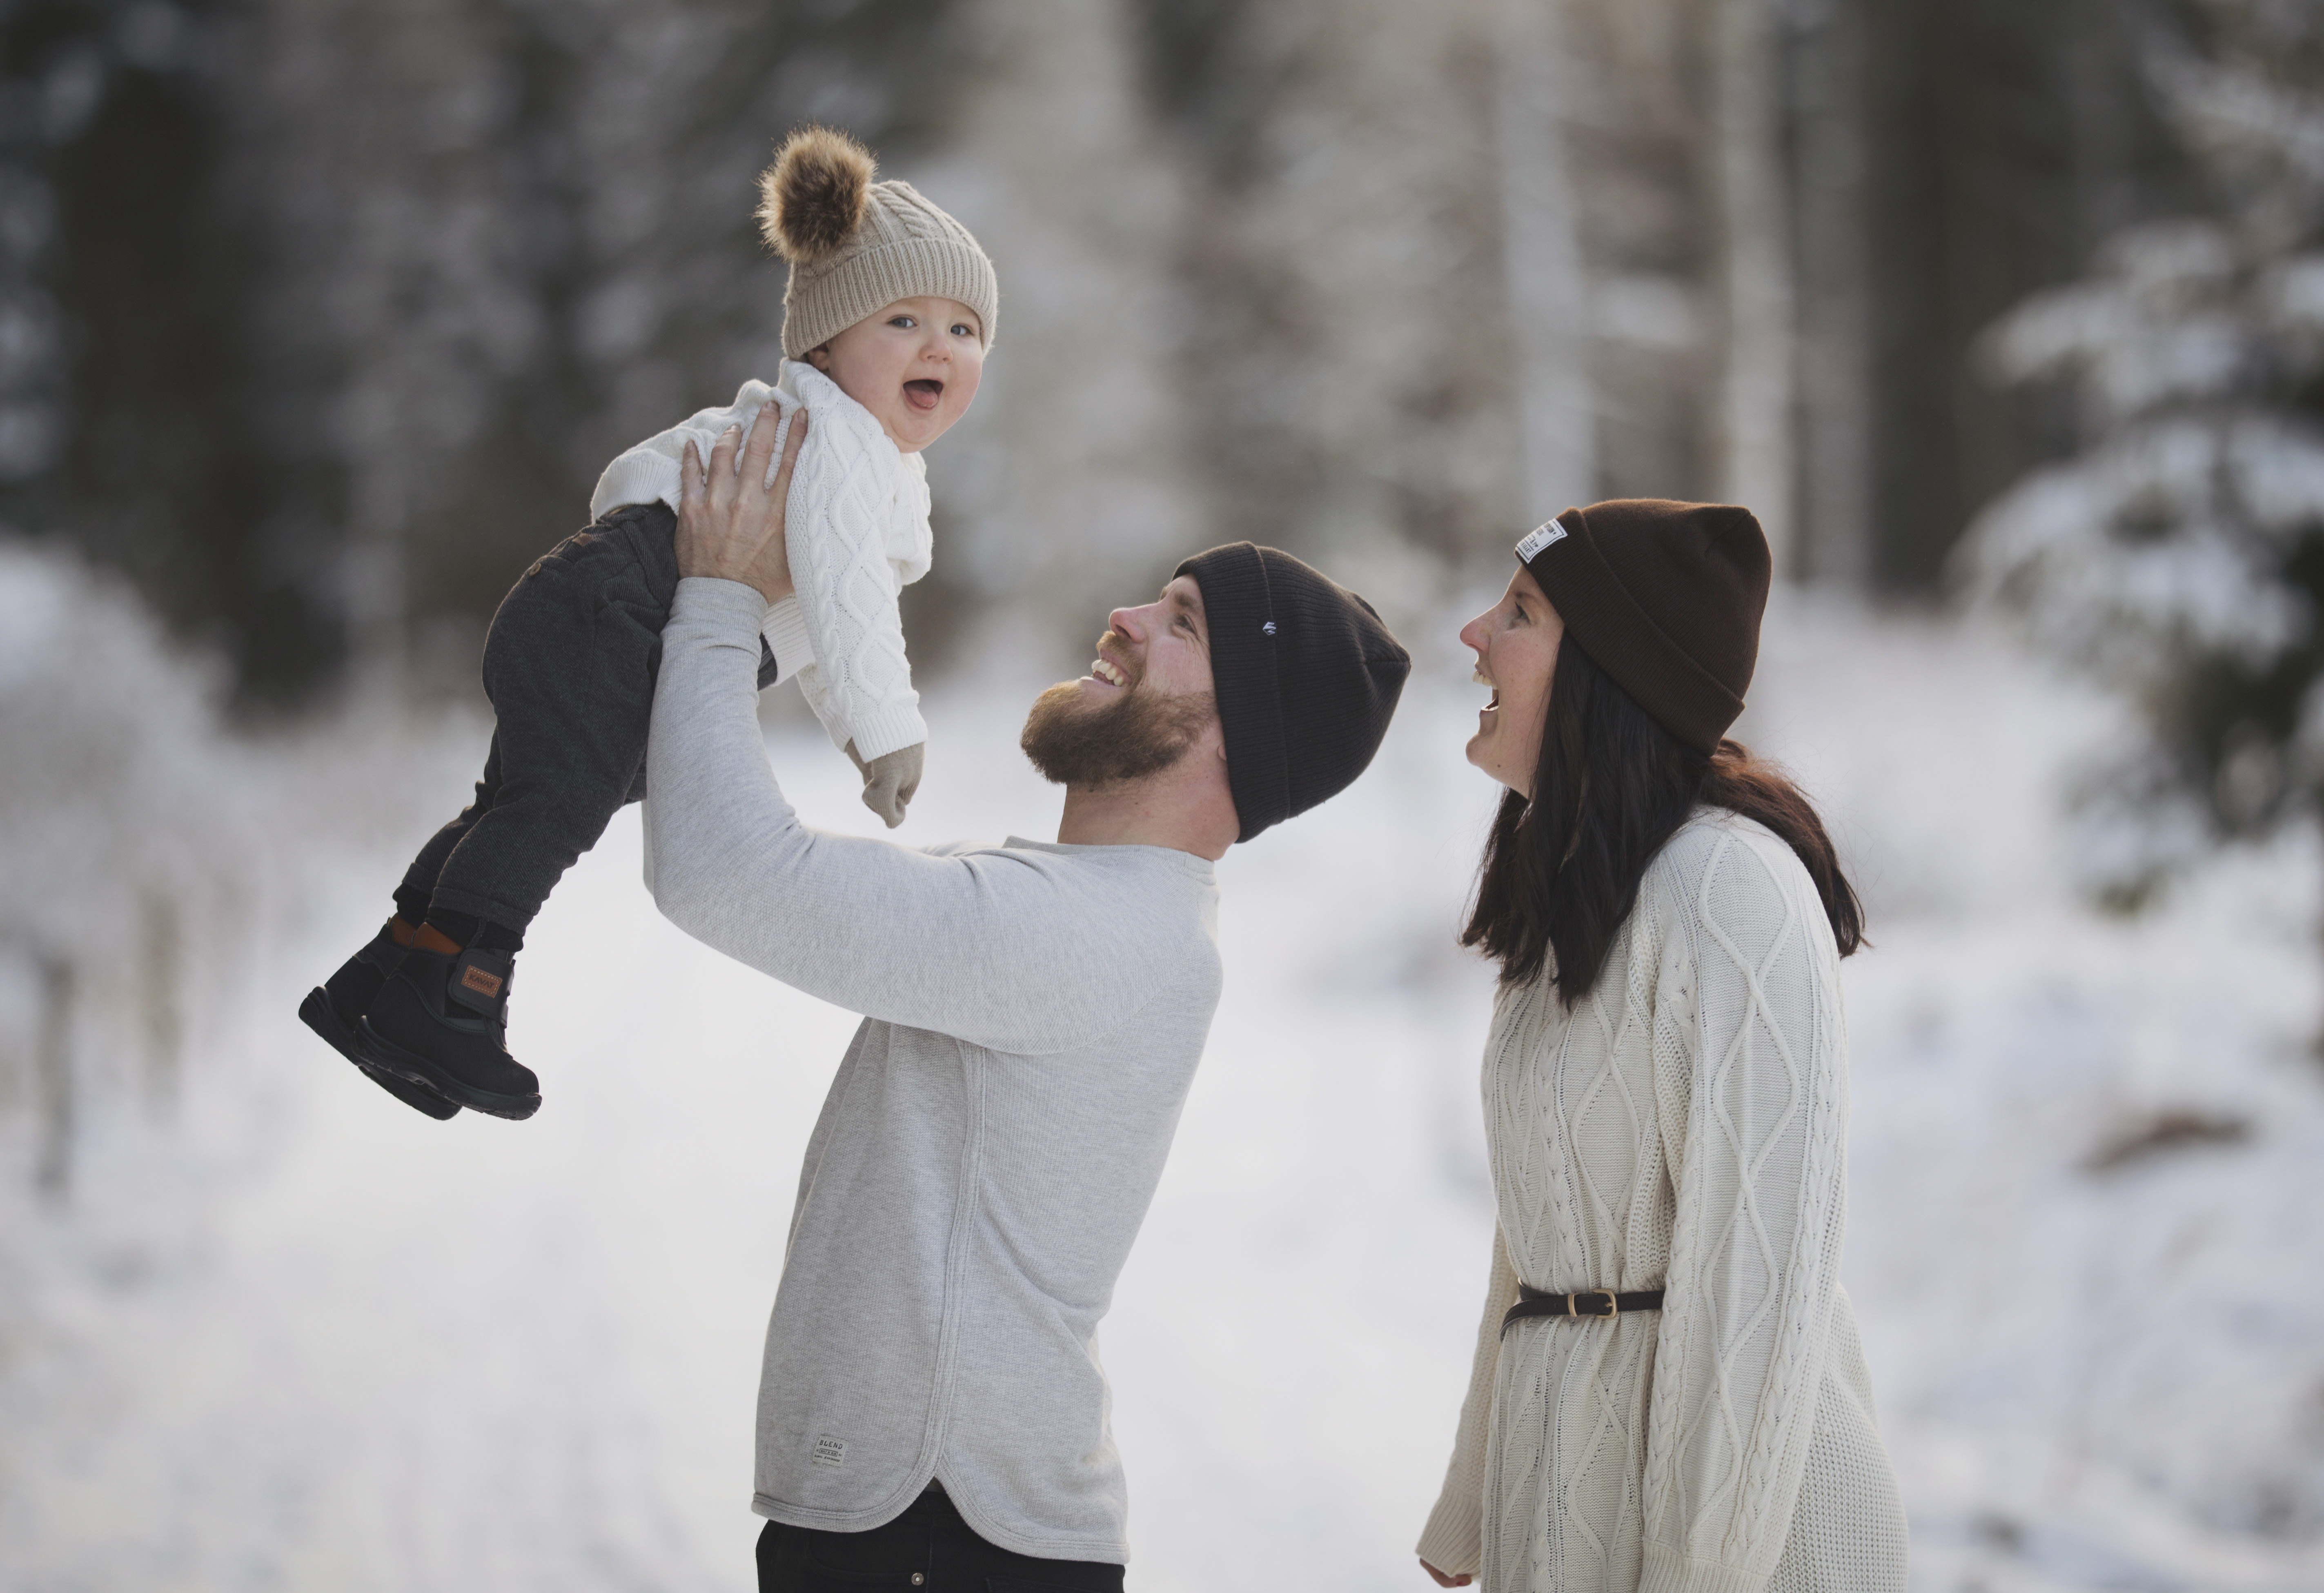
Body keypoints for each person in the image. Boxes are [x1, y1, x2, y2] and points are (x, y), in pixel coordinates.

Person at [653, 402, 1412, 1587]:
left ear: (1236, 729)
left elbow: (723, 868)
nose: (1123, 615)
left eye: (1181, 624)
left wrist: (719, 595)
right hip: (926, 1525)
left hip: (936, 1534)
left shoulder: (1089, 934)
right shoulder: (1092, 907)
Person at [299, 125, 991, 1121]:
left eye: (965, 332)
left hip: (597, 606)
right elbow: (846, 597)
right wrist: (886, 727)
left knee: (518, 802)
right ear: (824, 343)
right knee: (556, 808)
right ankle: (456, 996)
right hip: (615, 609)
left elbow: (835, 616)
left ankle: (392, 973)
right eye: (905, 321)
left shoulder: (861, 457)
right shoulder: (835, 439)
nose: (941, 346)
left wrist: (853, 729)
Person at [1414, 502, 1907, 1591]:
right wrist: (1471, 1498)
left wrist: (1699, 1574)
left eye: (1521, 611)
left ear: (1608, 666)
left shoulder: (1730, 885)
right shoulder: (1587, 895)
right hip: (1563, 1487)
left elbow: (1759, 1279)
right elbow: (1541, 1228)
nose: (1473, 633)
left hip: (1735, 1528)